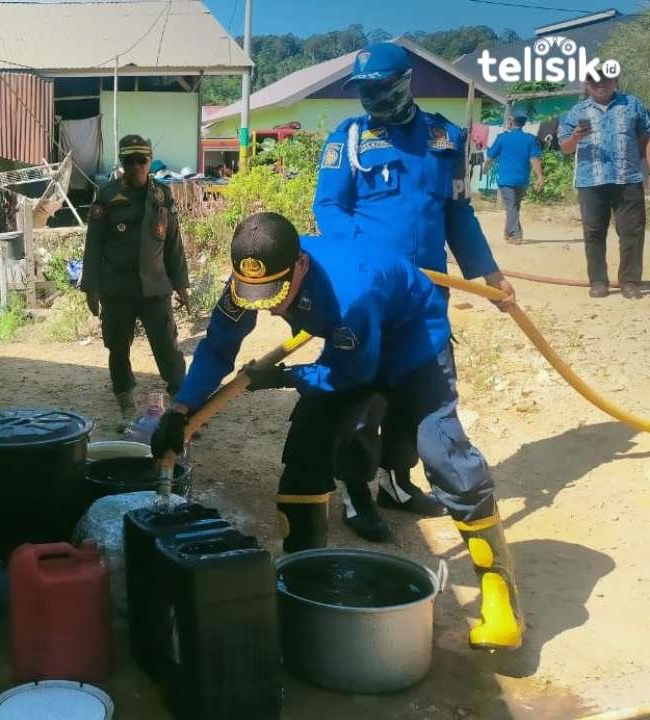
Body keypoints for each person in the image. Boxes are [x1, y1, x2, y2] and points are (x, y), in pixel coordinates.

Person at [151, 212, 524, 652]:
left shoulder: (352, 293)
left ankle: (500, 594)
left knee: (442, 451)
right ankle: (301, 576)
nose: (267, 306)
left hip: (412, 344)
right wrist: (181, 409)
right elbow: (218, 344)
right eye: (255, 295)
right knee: (308, 443)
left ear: (302, 267)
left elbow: (352, 374)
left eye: (275, 295)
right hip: (352, 346)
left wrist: (289, 377)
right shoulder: (246, 281)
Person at [314, 42, 516, 536]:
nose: (372, 98)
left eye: (381, 87)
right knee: (362, 393)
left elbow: (457, 214)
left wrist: (488, 274)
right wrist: (364, 256)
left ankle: (395, 480)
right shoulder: (351, 139)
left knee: (420, 393)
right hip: (370, 297)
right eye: (364, 90)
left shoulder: (445, 138)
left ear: (406, 82)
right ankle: (356, 492)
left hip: (427, 298)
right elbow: (328, 208)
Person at [81, 134, 190, 423]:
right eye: (129, 161)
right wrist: (91, 288)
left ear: (149, 161)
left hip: (155, 288)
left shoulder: (162, 196)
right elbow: (93, 245)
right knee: (117, 346)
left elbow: (173, 244)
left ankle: (182, 404)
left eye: (141, 161)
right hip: (117, 289)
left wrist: (181, 284)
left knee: (167, 347)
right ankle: (124, 397)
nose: (135, 167)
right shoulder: (106, 197)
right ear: (122, 163)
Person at [558, 71, 650, 299]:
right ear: (587, 84)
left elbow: (647, 138)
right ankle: (598, 281)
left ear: (615, 82)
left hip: (628, 180)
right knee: (593, 233)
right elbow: (564, 148)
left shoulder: (632, 104)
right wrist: (575, 138)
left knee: (632, 232)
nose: (600, 85)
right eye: (594, 81)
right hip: (590, 182)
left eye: (606, 80)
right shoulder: (575, 112)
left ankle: (630, 282)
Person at [484, 112, 545, 244]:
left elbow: (490, 157)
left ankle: (515, 235)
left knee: (512, 207)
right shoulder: (530, 139)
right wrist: (540, 177)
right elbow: (534, 159)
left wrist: (485, 169)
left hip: (506, 180)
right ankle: (508, 232)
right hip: (523, 180)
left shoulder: (502, 138)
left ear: (511, 123)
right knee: (514, 206)